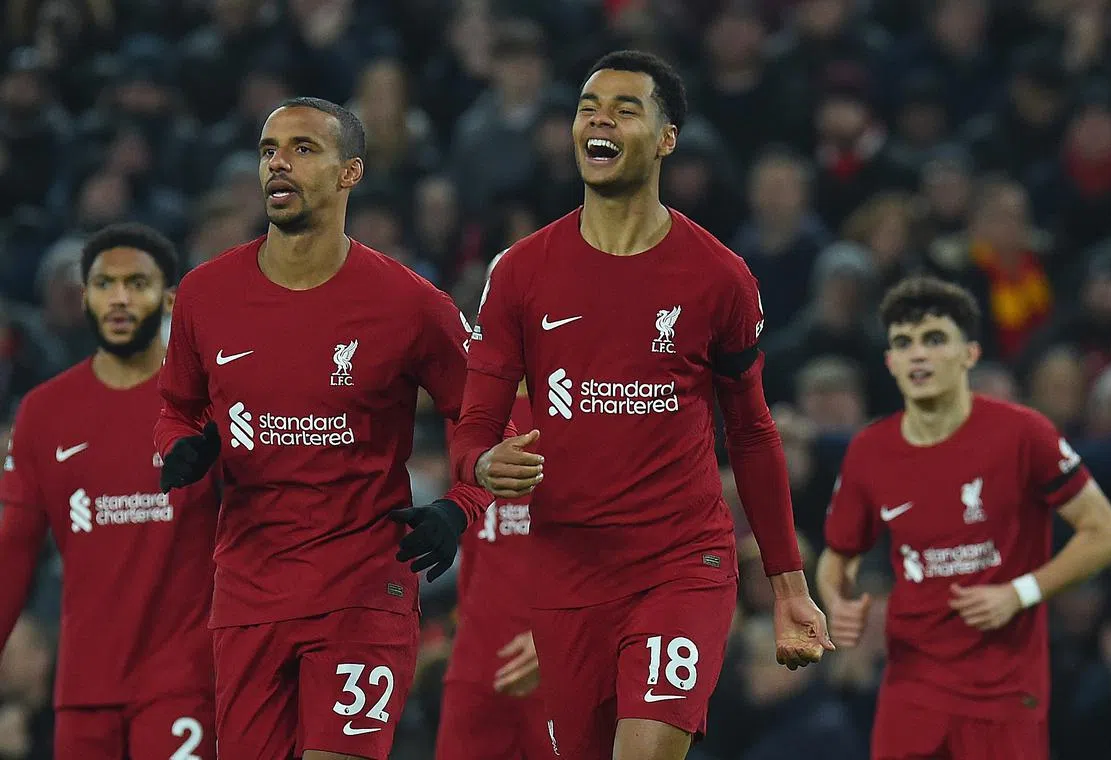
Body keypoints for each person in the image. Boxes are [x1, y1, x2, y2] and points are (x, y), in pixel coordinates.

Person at [451, 50, 833, 760]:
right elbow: (474, 423)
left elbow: (751, 432)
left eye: (626, 109)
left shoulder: (719, 277)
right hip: (566, 572)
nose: (600, 119)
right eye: (589, 107)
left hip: (680, 562)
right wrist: (482, 462)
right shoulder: (520, 273)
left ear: (666, 138)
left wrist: (788, 587)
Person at [153, 97, 497, 760]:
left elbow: (489, 416)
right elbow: (177, 408)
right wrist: (181, 449)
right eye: (268, 149)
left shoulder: (412, 304)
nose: (278, 162)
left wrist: (460, 507)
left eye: (303, 148)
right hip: (248, 593)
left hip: (362, 591)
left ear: (350, 174)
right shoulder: (204, 294)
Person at [817, 276, 1111, 760]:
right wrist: (836, 602)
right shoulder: (869, 451)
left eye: (934, 339)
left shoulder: (1024, 434)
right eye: (904, 343)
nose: (918, 354)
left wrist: (1019, 593)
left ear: (969, 354)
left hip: (1003, 691)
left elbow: (1107, 534)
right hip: (911, 688)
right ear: (891, 362)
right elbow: (839, 555)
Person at [0, 222, 218, 758]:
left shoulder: (208, 403)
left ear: (168, 297)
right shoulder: (44, 412)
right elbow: (12, 549)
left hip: (184, 682)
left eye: (137, 283)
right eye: (103, 284)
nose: (119, 298)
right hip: (82, 690)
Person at [436, 253, 548, 760]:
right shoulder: (464, 411)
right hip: (477, 664)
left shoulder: (597, 406)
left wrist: (561, 639)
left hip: (562, 660)